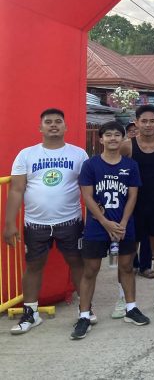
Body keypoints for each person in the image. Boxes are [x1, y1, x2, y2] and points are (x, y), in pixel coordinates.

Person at [3, 108, 89, 335]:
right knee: (33, 266)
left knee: (77, 263)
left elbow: (87, 189)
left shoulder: (79, 154)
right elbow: (16, 190)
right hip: (36, 223)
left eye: (58, 121)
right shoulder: (26, 155)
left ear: (65, 127)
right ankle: (31, 313)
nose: (53, 125)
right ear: (40, 128)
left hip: (70, 221)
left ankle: (85, 310)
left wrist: (94, 219)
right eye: (48, 122)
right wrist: (9, 224)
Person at [71, 121, 149, 339]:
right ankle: (84, 315)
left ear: (123, 138)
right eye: (108, 135)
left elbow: (132, 196)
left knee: (126, 267)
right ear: (101, 139)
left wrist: (123, 223)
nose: (113, 138)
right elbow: (87, 196)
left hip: (124, 226)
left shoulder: (130, 165)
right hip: (97, 226)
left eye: (117, 135)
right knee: (90, 270)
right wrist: (105, 222)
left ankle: (131, 308)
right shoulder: (91, 165)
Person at [117, 104, 154, 316]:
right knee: (127, 253)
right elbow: (119, 175)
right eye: (144, 121)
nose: (148, 125)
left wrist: (152, 189)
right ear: (136, 122)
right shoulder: (127, 147)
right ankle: (122, 298)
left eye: (152, 121)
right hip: (132, 207)